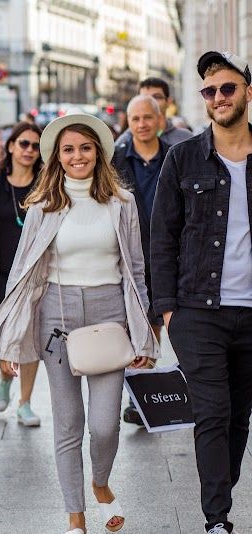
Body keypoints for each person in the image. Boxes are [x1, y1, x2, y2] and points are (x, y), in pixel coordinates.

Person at [0, 114, 158, 534]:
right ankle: (75, 518)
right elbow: (22, 272)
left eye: (85, 147)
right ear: (57, 157)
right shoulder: (43, 205)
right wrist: (8, 339)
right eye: (68, 149)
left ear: (98, 152)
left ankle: (100, 483)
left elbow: (136, 269)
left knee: (104, 426)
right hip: (56, 316)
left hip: (109, 312)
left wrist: (144, 333)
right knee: (67, 424)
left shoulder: (122, 201)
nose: (77, 156)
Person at [151, 51, 252, 534]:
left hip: (251, 312)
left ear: (248, 93)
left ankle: (220, 488)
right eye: (209, 91)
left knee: (238, 417)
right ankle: (218, 520)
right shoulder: (183, 157)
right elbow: (162, 237)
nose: (218, 98)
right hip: (198, 310)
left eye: (227, 88)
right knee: (212, 412)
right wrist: (168, 310)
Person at [112, 95, 171, 426]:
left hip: (165, 250)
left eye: (148, 117)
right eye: (136, 119)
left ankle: (144, 396)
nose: (142, 124)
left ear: (159, 120)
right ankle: (137, 396)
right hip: (128, 251)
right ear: (128, 121)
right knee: (129, 322)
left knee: (154, 322)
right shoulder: (117, 160)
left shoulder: (175, 157)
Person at [0, 122, 44, 426]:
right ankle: (4, 375)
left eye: (35, 146)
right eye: (24, 144)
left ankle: (25, 402)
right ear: (10, 146)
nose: (29, 151)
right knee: (3, 333)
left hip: (33, 274)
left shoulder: (46, 184)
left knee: (30, 337)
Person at [114, 77, 193, 148]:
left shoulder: (185, 139)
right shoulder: (124, 142)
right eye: (144, 98)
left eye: (157, 97)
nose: (151, 102)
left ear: (169, 102)